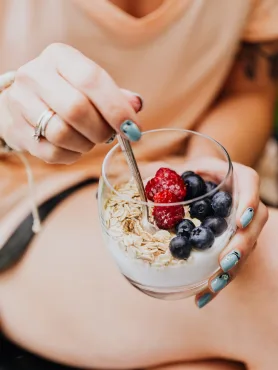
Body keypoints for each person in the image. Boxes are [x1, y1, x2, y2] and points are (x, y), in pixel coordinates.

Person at [0, 0, 277, 369]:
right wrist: (8, 117)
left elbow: (249, 88)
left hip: (178, 176)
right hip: (26, 202)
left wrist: (201, 174)